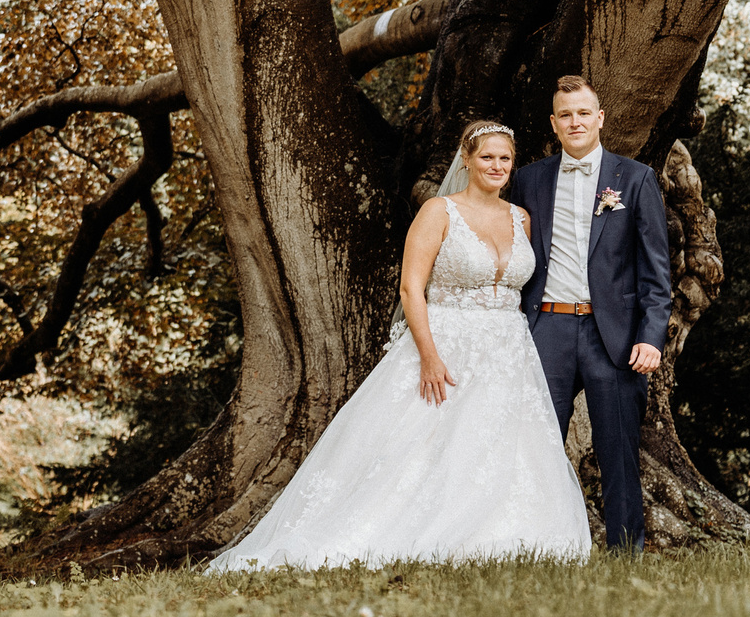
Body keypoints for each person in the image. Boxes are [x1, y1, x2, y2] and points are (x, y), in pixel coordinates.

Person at [206, 119, 593, 571]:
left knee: (502, 445)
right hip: (446, 344)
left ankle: (496, 533)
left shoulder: (521, 218)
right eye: (486, 156)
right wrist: (429, 357)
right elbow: (412, 289)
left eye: (504, 158)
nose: (496, 165)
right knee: (425, 445)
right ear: (465, 160)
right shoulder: (438, 211)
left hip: (507, 352)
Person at [509, 73, 672, 554]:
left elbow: (656, 272)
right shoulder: (529, 179)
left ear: (600, 118)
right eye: (566, 115)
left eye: (584, 113)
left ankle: (625, 555)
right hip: (548, 329)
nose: (575, 121)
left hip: (615, 336)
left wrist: (651, 336)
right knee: (535, 445)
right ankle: (533, 545)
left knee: (618, 452)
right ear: (554, 124)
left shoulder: (636, 178)